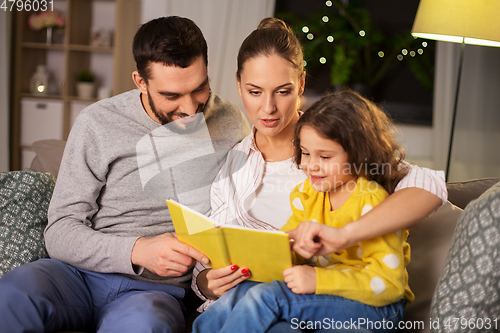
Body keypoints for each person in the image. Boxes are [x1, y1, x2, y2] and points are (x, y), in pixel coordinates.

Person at [0, 16, 250, 333]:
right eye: (171, 96)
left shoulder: (230, 121)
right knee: (11, 295)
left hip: (154, 292)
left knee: (145, 326)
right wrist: (136, 250)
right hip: (75, 275)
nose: (189, 108)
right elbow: (60, 230)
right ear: (140, 82)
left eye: (199, 88)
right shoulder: (98, 122)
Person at [192, 17, 447, 316]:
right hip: (241, 306)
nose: (268, 108)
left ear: (301, 83)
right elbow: (206, 261)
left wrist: (345, 234)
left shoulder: (335, 147)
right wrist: (206, 282)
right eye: (255, 91)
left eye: (283, 91)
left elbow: (429, 186)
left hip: (313, 304)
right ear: (238, 84)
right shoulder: (231, 162)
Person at [193, 90, 416, 333]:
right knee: (245, 291)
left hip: (377, 308)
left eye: (325, 156)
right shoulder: (308, 194)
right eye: (306, 153)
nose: (311, 165)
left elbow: (389, 284)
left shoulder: (371, 201)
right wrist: (266, 251)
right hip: (326, 299)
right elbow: (287, 245)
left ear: (358, 154)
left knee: (269, 297)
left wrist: (317, 280)